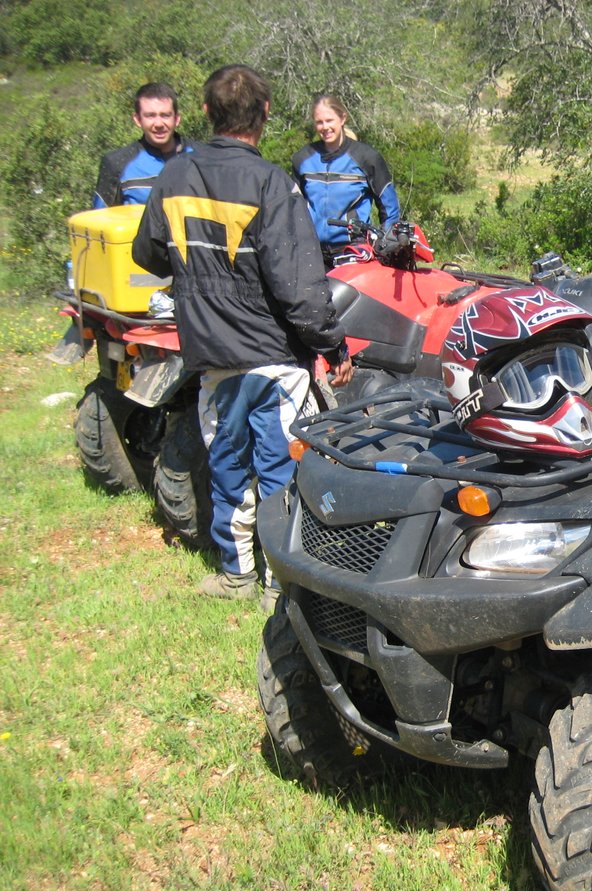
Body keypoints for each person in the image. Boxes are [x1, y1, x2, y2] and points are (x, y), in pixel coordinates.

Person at [132, 65, 353, 605]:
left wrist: (195, 268)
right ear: (266, 114)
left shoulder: (173, 178)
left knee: (228, 463)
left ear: (205, 113)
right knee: (279, 467)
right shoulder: (272, 183)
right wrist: (332, 344)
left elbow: (147, 253)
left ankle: (236, 575)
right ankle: (280, 583)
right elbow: (298, 285)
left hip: (212, 357)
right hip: (274, 357)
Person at [292, 93, 402, 267]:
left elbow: (390, 208)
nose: (325, 127)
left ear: (342, 118)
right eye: (319, 122)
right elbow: (293, 207)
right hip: (312, 252)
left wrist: (387, 245)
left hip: (353, 252)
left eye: (329, 120)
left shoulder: (366, 157)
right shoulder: (303, 159)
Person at [93, 82, 191, 208]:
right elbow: (100, 219)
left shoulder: (202, 157)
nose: (159, 124)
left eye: (165, 115)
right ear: (138, 120)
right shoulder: (117, 163)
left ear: (177, 119)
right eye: (150, 116)